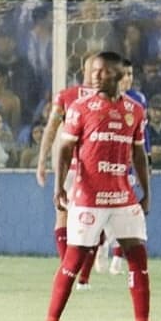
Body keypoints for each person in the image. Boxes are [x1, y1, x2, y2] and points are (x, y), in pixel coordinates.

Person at [42, 51, 161, 321]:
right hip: (88, 198)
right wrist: (59, 187)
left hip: (123, 197)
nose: (96, 76)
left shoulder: (135, 110)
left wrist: (146, 192)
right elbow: (63, 150)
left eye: (104, 71)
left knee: (138, 257)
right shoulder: (80, 108)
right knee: (73, 259)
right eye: (94, 71)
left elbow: (138, 154)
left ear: (120, 75)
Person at [34, 52, 98, 268]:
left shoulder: (67, 96)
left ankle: (69, 270)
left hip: (79, 169)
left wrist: (42, 161)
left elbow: (51, 128)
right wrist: (42, 160)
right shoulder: (108, 98)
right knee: (88, 221)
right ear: (86, 70)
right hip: (85, 169)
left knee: (65, 217)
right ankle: (75, 270)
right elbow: (51, 128)